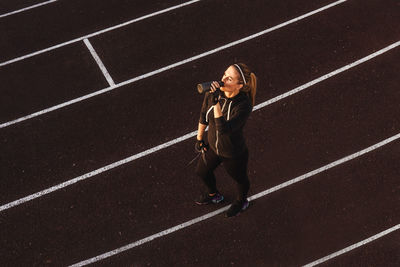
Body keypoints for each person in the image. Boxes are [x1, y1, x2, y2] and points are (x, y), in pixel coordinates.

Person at [195, 63, 257, 217]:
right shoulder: (212, 94)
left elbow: (224, 129)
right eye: (224, 75)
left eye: (229, 79)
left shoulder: (244, 105)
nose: (222, 80)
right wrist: (199, 138)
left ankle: (242, 201)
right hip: (213, 147)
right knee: (202, 172)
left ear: (239, 85)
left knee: (240, 179)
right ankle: (214, 195)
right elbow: (203, 115)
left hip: (232, 152)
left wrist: (216, 103)